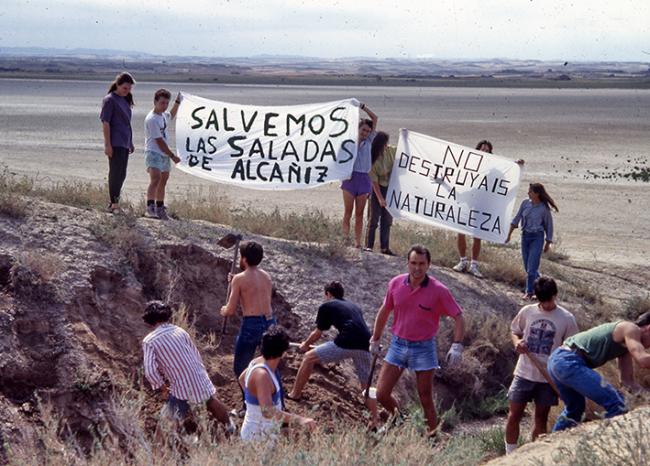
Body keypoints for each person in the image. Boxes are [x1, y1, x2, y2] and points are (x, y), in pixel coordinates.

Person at [369, 245, 465, 434]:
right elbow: (385, 310)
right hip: (398, 344)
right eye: (413, 263)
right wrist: (375, 338)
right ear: (407, 263)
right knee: (381, 393)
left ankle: (432, 436)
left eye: (422, 264)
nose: (417, 268)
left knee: (425, 396)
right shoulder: (396, 284)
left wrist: (457, 345)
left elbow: (459, 316)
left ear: (428, 265)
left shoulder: (439, 290)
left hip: (424, 347)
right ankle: (397, 419)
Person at [504, 276, 579, 455]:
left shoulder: (567, 318)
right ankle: (510, 455)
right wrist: (517, 343)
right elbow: (515, 331)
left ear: (556, 295)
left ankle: (535, 456)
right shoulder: (527, 311)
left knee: (541, 418)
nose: (546, 305)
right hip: (524, 372)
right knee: (514, 415)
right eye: (542, 301)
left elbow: (572, 347)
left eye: (549, 300)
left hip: (548, 377)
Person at [287, 281, 379, 426]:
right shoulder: (354, 306)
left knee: (308, 358)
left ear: (328, 294)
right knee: (366, 385)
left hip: (347, 341)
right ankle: (375, 420)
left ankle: (295, 394)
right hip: (365, 344)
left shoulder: (327, 306)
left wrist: (305, 344)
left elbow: (318, 333)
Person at [141, 301, 235, 433]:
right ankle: (230, 427)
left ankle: (163, 449)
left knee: (165, 422)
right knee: (210, 400)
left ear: (149, 321)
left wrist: (162, 388)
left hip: (182, 387)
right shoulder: (180, 331)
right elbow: (196, 355)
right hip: (199, 377)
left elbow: (150, 372)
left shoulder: (149, 341)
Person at [547, 312, 650, 432]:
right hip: (568, 361)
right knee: (617, 405)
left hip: (558, 360)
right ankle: (603, 440)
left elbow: (627, 382)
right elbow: (642, 359)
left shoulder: (625, 346)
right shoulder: (631, 328)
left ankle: (552, 444)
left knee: (575, 409)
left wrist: (646, 395)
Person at [453, 140, 524, 278]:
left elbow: (505, 176)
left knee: (477, 234)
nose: (484, 151)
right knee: (460, 231)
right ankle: (462, 261)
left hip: (482, 203)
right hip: (468, 201)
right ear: (477, 149)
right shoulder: (470, 164)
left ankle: (474, 265)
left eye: (487, 150)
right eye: (482, 149)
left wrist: (515, 166)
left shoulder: (494, 169)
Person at [220, 241, 277, 409]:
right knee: (270, 364)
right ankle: (275, 401)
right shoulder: (266, 275)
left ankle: (249, 404)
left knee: (241, 368)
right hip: (270, 322)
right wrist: (234, 282)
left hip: (252, 325)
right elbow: (255, 291)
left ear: (243, 259)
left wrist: (223, 310)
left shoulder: (239, 279)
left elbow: (230, 310)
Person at [239, 325, 316, 441]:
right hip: (257, 437)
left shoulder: (256, 362)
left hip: (264, 432)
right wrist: (300, 420)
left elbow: (241, 379)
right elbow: (267, 411)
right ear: (283, 352)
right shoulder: (262, 375)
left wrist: (254, 400)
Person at [506, 183, 558, 300]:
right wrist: (509, 234)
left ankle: (529, 292)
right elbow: (517, 218)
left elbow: (549, 225)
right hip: (525, 237)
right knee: (528, 268)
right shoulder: (525, 203)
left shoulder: (544, 209)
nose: (528, 193)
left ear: (537, 194)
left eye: (530, 191)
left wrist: (547, 242)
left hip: (537, 238)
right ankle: (545, 286)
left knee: (531, 269)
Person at [341, 102, 378, 248]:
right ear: (358, 129)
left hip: (364, 179)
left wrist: (362, 107)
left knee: (359, 214)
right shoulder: (350, 140)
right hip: (350, 178)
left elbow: (375, 118)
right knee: (347, 212)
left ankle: (357, 243)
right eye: (363, 130)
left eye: (368, 131)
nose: (365, 133)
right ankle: (344, 241)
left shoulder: (369, 141)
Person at [100, 72, 135, 214]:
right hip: (115, 142)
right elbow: (106, 123)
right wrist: (107, 144)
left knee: (122, 173)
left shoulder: (125, 100)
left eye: (129, 89)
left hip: (124, 142)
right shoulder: (110, 100)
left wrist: (130, 142)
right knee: (115, 172)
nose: (127, 91)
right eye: (125, 88)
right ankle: (113, 204)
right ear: (118, 85)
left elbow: (127, 123)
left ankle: (116, 201)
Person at [144, 89, 182, 220]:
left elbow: (171, 115)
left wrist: (177, 102)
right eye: (162, 103)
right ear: (155, 102)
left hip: (164, 154)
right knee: (155, 179)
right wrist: (172, 156)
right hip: (154, 152)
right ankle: (150, 207)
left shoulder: (163, 115)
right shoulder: (152, 119)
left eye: (166, 103)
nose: (164, 105)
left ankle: (160, 208)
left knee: (163, 180)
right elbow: (159, 141)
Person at [365, 131, 396, 255]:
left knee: (387, 220)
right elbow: (374, 182)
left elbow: (405, 152)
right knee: (373, 219)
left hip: (390, 187)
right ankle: (369, 246)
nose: (386, 146)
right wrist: (380, 198)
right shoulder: (371, 159)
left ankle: (385, 247)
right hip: (376, 189)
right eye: (384, 144)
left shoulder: (391, 151)